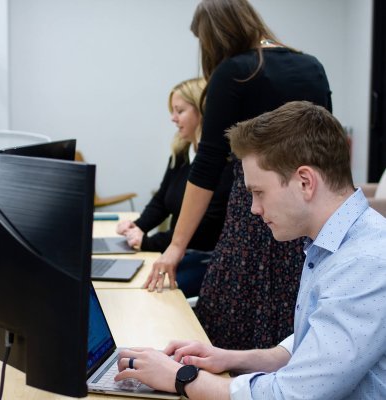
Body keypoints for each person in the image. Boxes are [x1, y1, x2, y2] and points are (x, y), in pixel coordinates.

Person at [115, 101, 386, 399]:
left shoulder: (367, 262)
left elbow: (293, 394)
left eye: (259, 192)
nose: (255, 209)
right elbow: (317, 342)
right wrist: (231, 357)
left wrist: (181, 378)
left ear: (305, 182)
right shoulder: (339, 241)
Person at [145, 0, 333, 350]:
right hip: (309, 211)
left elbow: (207, 166)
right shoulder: (312, 66)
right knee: (294, 325)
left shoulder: (234, 72)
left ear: (214, 34)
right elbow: (328, 152)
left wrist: (175, 246)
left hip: (254, 216)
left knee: (231, 324)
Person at [116, 78, 233, 298]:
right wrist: (138, 226)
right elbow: (162, 200)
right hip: (179, 251)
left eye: (179, 111)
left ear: (202, 112)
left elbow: (206, 227)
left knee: (148, 290)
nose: (173, 118)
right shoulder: (182, 153)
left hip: (207, 258)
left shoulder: (225, 164)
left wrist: (149, 243)